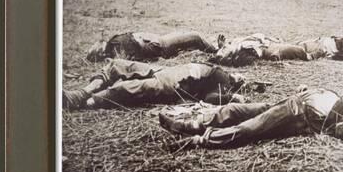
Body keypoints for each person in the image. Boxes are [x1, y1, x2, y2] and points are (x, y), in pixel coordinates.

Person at [159, 85, 343, 148]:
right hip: (285, 103)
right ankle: (189, 124)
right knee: (235, 110)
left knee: (248, 129)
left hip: (292, 115)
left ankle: (198, 139)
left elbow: (342, 132)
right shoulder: (336, 96)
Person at [62, 58, 246, 110]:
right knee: (117, 65)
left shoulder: (224, 81)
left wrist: (233, 97)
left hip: (173, 84)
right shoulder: (218, 68)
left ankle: (86, 102)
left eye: (242, 79)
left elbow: (211, 98)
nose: (240, 76)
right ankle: (81, 93)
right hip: (164, 70)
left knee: (126, 89)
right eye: (241, 75)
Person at [86, 31, 218, 62]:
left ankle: (213, 47)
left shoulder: (114, 44)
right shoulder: (115, 46)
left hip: (159, 41)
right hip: (161, 44)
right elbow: (132, 56)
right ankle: (218, 50)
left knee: (192, 40)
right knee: (195, 37)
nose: (101, 42)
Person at [209, 33, 311, 66]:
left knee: (301, 46)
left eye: (223, 48)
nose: (224, 48)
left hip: (268, 42)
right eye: (223, 50)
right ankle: (315, 54)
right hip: (269, 49)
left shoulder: (235, 43)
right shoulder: (241, 55)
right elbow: (258, 59)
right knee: (299, 50)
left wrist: (222, 46)